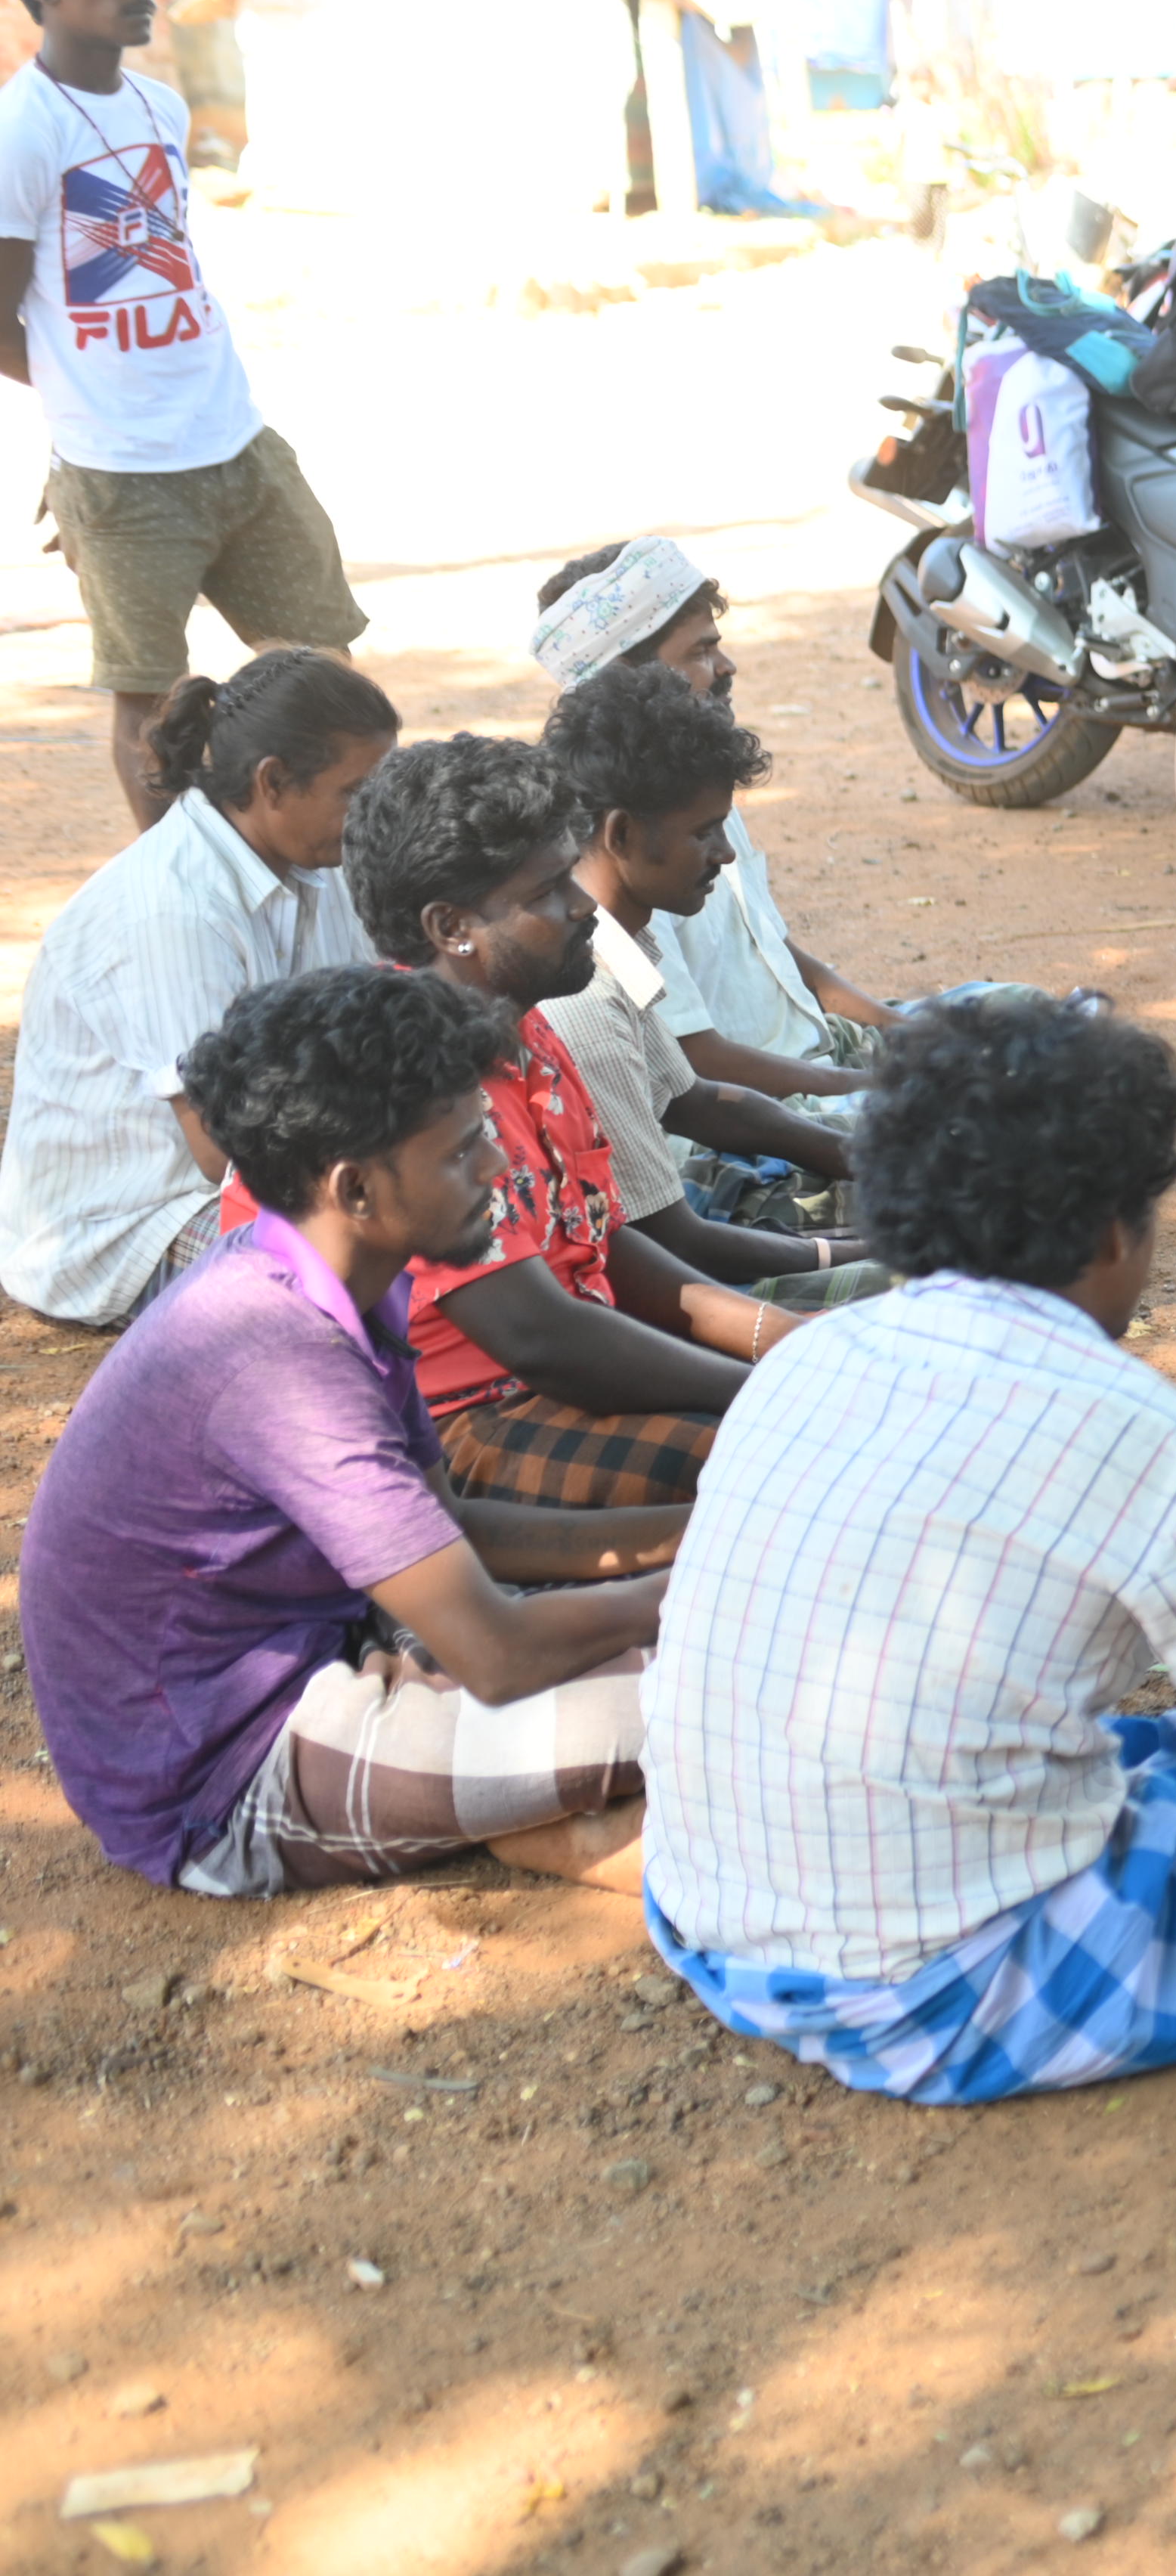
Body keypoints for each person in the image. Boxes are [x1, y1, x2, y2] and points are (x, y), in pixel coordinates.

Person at [643, 991, 1176, 2102]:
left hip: (708, 1918)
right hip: (932, 1998)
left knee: (1165, 1743)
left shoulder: (806, 1361)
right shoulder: (1155, 1444)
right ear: (1113, 1232)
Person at [23, 967, 673, 1896]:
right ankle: (538, 1817)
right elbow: (498, 1653)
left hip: (329, 1642)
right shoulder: (277, 1358)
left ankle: (536, 1817)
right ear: (355, 1188)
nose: (497, 1166)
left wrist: (694, 1535)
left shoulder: (337, 1282)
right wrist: (698, 1585)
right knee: (744, 1678)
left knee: (692, 1646)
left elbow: (453, 1528)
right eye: (462, 1150)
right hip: (224, 1777)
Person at [323, 735, 818, 1506]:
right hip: (462, 1427)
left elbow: (602, 1246)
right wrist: (771, 1385)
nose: (584, 903)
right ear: (452, 927)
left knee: (843, 1380)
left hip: (561, 1371)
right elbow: (538, 1335)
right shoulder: (412, 1085)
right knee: (800, 1457)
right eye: (550, 889)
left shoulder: (524, 1025)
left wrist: (779, 1340)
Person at [0, 0, 364, 829]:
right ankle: (182, 888)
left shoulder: (162, 106)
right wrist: (87, 423)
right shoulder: (21, 130)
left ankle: (348, 868)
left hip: (240, 444)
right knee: (153, 706)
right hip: (123, 480)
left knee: (328, 671)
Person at [0, 649, 394, 1325]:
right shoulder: (172, 910)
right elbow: (223, 1153)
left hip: (275, 1166)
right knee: (386, 1257)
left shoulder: (320, 862)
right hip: (132, 1227)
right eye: (356, 792)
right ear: (273, 782)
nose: (373, 814)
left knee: (463, 1204)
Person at [538, 665, 887, 1311]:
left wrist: (866, 1154)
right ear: (621, 834)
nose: (726, 855)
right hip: (652, 1288)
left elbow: (695, 1101)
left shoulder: (618, 946)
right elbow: (672, 1244)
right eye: (704, 831)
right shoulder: (585, 998)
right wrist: (855, 1251)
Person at [531, 536, 887, 1111]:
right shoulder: (624, 852)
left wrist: (905, 1029)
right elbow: (694, 1071)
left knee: (1010, 1019)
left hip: (821, 1056)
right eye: (700, 652)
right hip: (767, 1100)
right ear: (628, 675)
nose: (726, 666)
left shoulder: (699, 790)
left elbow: (776, 951)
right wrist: (882, 1087)